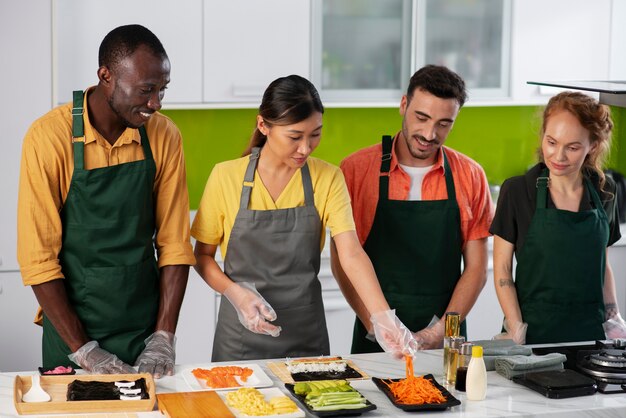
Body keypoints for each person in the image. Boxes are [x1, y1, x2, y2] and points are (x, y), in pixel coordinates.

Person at [191, 75, 417, 361]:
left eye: (315, 134)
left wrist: (383, 317)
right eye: (295, 137)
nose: (306, 148)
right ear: (264, 126)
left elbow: (351, 254)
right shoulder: (226, 176)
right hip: (240, 338)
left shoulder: (328, 178)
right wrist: (236, 294)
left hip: (305, 336)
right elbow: (203, 257)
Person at [17, 24, 195, 376]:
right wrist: (85, 352)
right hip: (72, 334)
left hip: (143, 329)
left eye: (162, 90)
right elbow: (38, 260)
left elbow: (175, 244)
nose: (155, 103)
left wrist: (163, 336)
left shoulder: (164, 135)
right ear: (106, 75)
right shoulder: (50, 137)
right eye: (146, 90)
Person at [332, 65, 494, 353]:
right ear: (404, 105)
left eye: (444, 123)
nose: (430, 133)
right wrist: (376, 327)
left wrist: (442, 331)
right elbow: (342, 262)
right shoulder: (356, 170)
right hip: (374, 337)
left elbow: (477, 270)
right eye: (422, 117)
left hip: (446, 338)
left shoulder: (470, 175)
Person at [491, 91, 626, 344]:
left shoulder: (605, 190)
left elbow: (602, 264)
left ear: (593, 146)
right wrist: (516, 328)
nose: (558, 156)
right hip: (533, 337)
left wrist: (613, 317)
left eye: (573, 147)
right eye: (551, 142)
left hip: (590, 337)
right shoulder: (518, 191)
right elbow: (503, 270)